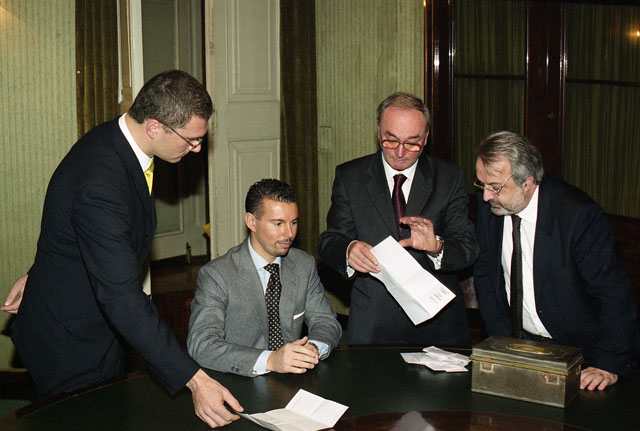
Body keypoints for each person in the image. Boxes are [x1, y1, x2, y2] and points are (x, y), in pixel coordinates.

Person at [5, 70, 242, 427]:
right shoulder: (101, 182)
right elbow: (121, 297)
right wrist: (196, 380)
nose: (196, 149)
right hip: (71, 341)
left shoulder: (114, 140)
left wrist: (43, 271)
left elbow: (73, 227)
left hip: (88, 315)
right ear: (155, 127)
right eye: (191, 140)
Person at [473, 130, 637, 391]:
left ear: (527, 182)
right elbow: (486, 275)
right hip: (519, 346)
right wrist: (502, 343)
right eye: (481, 184)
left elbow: (613, 293)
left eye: (495, 187)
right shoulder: (491, 206)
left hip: (583, 354)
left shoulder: (577, 216)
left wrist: (608, 363)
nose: (486, 196)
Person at [317, 92, 478, 346]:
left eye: (413, 144)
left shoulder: (449, 178)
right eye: (390, 141)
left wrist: (437, 247)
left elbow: (468, 249)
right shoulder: (350, 176)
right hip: (373, 325)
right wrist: (349, 250)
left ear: (426, 138)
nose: (401, 152)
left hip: (438, 326)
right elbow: (329, 241)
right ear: (378, 132)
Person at [188, 179, 342, 377]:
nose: (289, 233)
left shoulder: (303, 265)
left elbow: (326, 322)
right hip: (239, 380)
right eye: (278, 224)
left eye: (294, 222)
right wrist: (270, 360)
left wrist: (312, 348)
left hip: (293, 380)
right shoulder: (217, 274)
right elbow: (201, 344)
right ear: (251, 222)